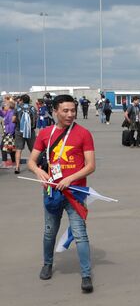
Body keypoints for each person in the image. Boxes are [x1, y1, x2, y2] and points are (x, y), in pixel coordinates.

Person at [27, 94, 96, 293]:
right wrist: (37, 170)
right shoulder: (45, 133)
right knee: (50, 232)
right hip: (52, 192)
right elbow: (31, 161)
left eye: (73, 110)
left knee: (80, 235)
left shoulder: (83, 133)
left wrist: (70, 178)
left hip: (75, 192)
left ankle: (85, 274)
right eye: (65, 110)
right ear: (55, 111)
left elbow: (90, 166)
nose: (70, 114)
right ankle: (47, 263)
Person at [13, 94, 37, 174]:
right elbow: (35, 118)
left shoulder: (18, 108)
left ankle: (17, 167)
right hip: (30, 130)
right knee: (33, 149)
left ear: (22, 100)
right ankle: (34, 166)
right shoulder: (33, 108)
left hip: (19, 130)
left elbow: (13, 119)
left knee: (19, 149)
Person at [0, 100, 16, 168]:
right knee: (10, 147)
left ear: (9, 106)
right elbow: (2, 114)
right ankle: (13, 162)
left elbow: (12, 124)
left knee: (3, 147)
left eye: (5, 105)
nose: (4, 106)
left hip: (9, 133)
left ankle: (5, 163)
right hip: (8, 132)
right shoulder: (8, 112)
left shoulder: (11, 113)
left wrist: (10, 133)